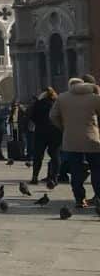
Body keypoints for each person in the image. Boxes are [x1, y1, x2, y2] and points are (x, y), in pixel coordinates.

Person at [50, 75, 100, 210]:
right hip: (93, 140)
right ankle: (99, 198)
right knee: (97, 170)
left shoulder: (62, 98)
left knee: (76, 172)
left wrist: (64, 127)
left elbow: (53, 116)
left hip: (71, 140)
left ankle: (79, 199)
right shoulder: (94, 98)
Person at [28, 87, 61, 185]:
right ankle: (54, 178)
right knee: (55, 155)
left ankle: (35, 177)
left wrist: (39, 123)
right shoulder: (57, 103)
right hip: (55, 132)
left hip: (40, 132)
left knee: (38, 155)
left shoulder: (39, 103)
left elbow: (32, 116)